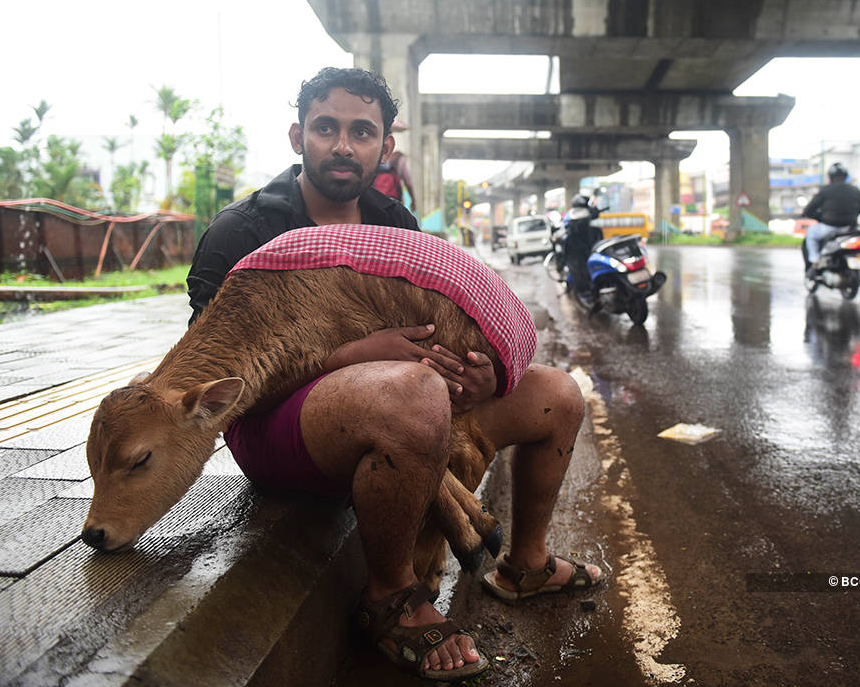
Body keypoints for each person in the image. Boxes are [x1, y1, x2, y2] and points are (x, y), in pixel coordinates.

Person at [186, 67, 601, 681]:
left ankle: (526, 564)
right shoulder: (242, 231)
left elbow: (434, 333)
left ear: (386, 147)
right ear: (298, 137)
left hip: (405, 399)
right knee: (410, 393)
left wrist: (482, 378)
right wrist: (352, 356)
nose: (343, 145)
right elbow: (214, 386)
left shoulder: (395, 225)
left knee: (555, 394)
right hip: (278, 425)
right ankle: (390, 599)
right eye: (326, 128)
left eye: (362, 131)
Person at [802, 162, 860, 276]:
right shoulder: (855, 190)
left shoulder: (825, 190)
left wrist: (819, 217)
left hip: (829, 227)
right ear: (845, 176)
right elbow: (859, 208)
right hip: (851, 228)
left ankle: (814, 261)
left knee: (811, 234)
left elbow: (809, 210)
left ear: (830, 177)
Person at [371, 119, 417, 214]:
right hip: (393, 204)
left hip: (372, 202)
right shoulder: (399, 159)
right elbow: (408, 182)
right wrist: (413, 200)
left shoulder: (370, 158)